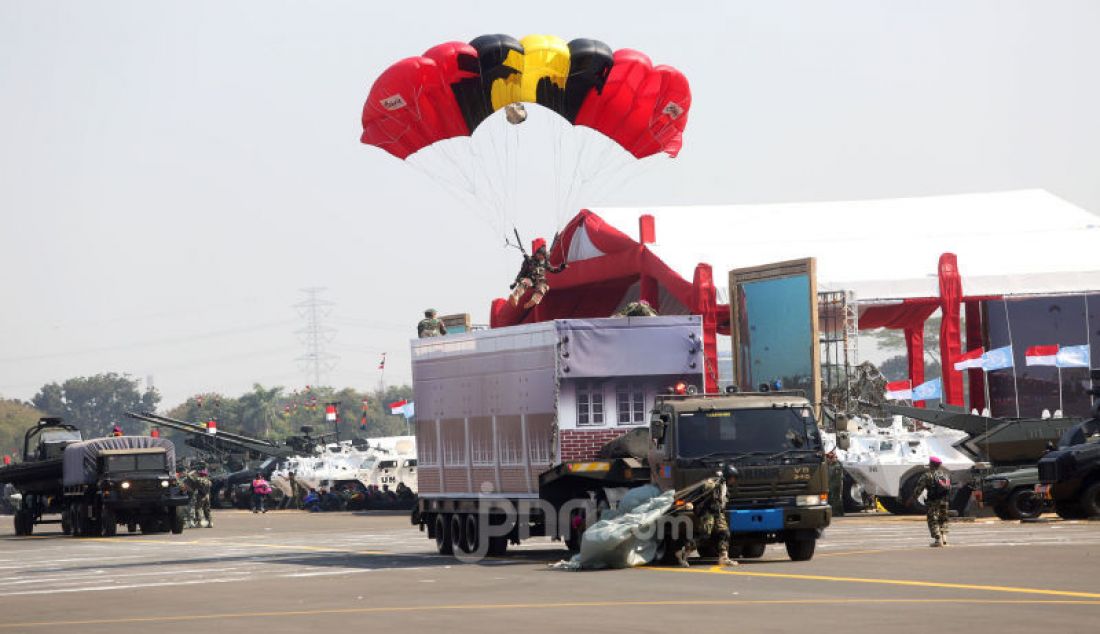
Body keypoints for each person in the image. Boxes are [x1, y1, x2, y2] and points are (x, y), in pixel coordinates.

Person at [682, 464, 739, 567]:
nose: (733, 480)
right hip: (707, 511)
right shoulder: (712, 483)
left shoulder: (724, 485)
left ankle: (724, 557)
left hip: (718, 512)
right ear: (727, 476)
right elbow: (697, 493)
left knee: (724, 533)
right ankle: (684, 553)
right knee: (704, 535)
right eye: (732, 478)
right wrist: (689, 502)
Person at [508, 238, 566, 309]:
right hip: (530, 280)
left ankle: (533, 301)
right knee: (525, 282)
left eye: (542, 256)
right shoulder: (529, 261)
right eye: (539, 255)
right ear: (536, 254)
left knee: (542, 288)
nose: (540, 257)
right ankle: (515, 297)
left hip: (540, 281)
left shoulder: (545, 263)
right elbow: (522, 272)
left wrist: (561, 267)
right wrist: (515, 282)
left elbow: (553, 270)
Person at [909, 456, 951, 547]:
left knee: (933, 519)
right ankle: (945, 540)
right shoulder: (945, 475)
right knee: (943, 519)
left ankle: (938, 540)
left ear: (931, 464)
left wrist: (912, 498)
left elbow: (919, 489)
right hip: (945, 501)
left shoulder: (927, 475)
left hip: (933, 501)